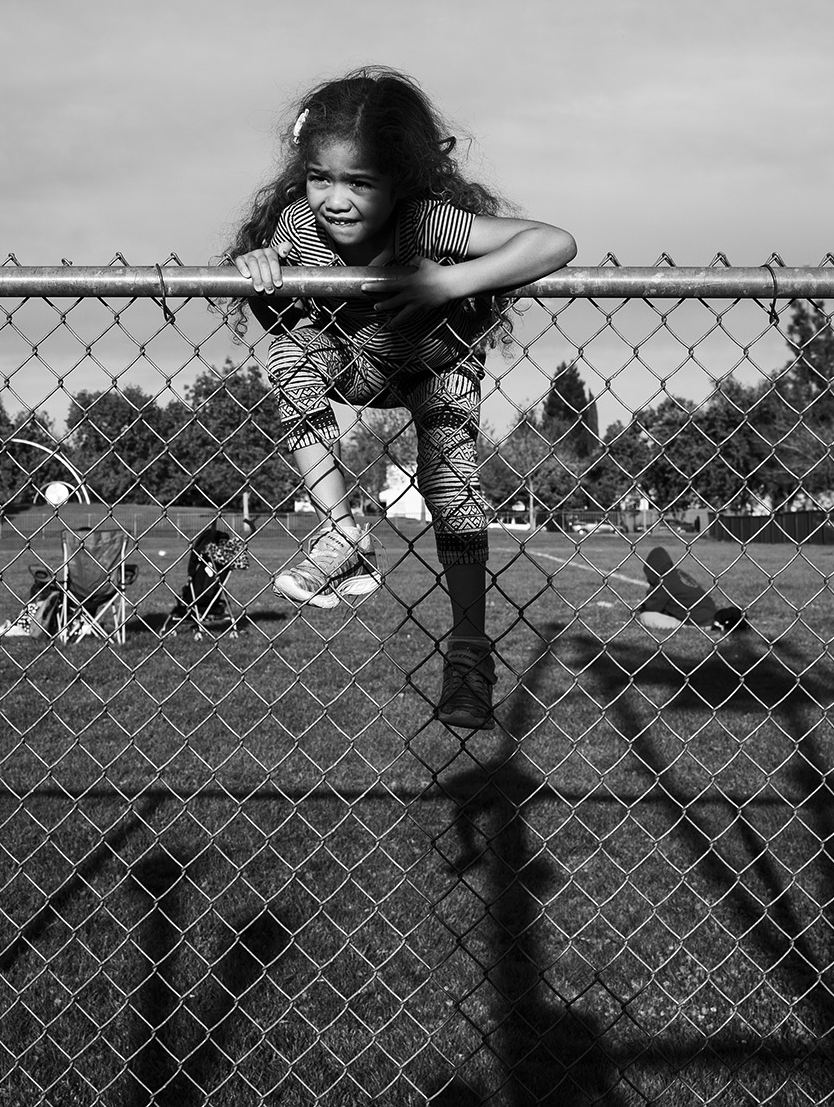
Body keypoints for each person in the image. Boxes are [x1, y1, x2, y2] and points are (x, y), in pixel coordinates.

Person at [224, 67, 577, 730]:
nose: (336, 198)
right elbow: (274, 279)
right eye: (321, 177)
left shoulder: (424, 222)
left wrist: (450, 284)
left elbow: (556, 241)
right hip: (356, 363)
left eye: (360, 182)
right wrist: (260, 266)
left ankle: (469, 653)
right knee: (287, 353)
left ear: (399, 180)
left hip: (433, 364)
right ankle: (341, 532)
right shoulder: (300, 227)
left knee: (449, 479)